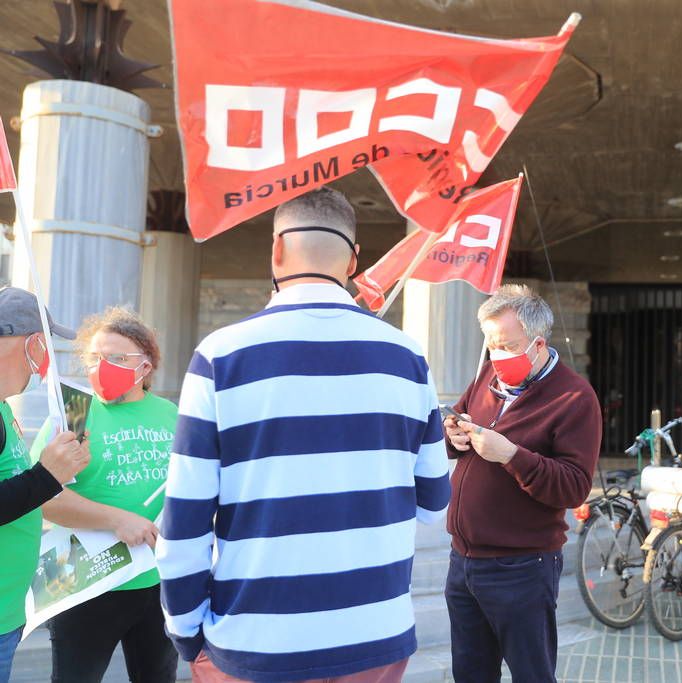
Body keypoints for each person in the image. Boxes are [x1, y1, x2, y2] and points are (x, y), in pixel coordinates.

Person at [156, 187, 450, 683]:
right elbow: (434, 503)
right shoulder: (409, 358)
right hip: (376, 635)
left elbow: (184, 522)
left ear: (275, 250)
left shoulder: (221, 356)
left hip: (257, 642)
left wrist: (186, 633)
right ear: (354, 260)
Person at [443, 284, 601, 683]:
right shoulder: (487, 375)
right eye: (491, 344)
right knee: (470, 673)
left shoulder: (574, 397)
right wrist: (452, 434)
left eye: (507, 345)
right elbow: (457, 418)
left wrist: (511, 455)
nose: (497, 354)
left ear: (537, 343)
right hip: (463, 561)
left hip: (521, 567)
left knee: (531, 673)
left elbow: (574, 487)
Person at [30, 307, 179, 683]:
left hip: (156, 582)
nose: (101, 366)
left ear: (144, 367)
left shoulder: (171, 414)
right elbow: (43, 497)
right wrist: (117, 519)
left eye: (116, 358)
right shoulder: (72, 413)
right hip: (84, 580)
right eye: (94, 357)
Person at [0, 287, 89, 683]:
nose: (47, 360)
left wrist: (50, 471)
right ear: (34, 344)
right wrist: (45, 476)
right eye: (47, 345)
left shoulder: (3, 406)